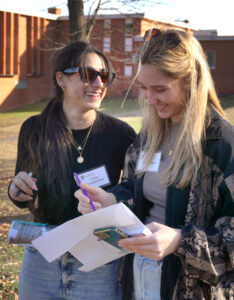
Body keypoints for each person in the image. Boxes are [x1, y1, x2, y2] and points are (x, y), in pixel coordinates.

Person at [75, 29, 234, 300]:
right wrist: (111, 200)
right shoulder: (149, 136)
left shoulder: (222, 144)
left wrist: (179, 242)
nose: (148, 100)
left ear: (192, 82)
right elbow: (137, 190)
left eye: (160, 89)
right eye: (144, 89)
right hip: (140, 274)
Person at [8, 41, 136, 300]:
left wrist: (112, 200)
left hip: (98, 259)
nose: (99, 84)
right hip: (44, 255)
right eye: (88, 74)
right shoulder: (34, 129)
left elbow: (135, 192)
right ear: (61, 79)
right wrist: (16, 191)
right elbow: (24, 193)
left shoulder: (121, 134)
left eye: (104, 76)